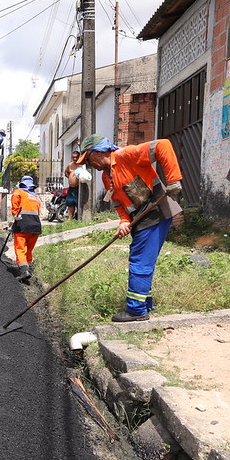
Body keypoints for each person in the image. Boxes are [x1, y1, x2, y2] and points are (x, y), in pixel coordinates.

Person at [76, 134, 183, 322]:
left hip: (156, 212)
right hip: (139, 219)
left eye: (88, 159)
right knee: (142, 259)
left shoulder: (127, 155)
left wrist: (173, 180)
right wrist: (124, 221)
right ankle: (145, 303)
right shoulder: (106, 177)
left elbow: (163, 145)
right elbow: (118, 203)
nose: (89, 165)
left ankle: (136, 310)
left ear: (98, 152)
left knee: (140, 261)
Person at [11, 175, 42, 284]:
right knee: (28, 249)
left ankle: (24, 271)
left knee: (20, 248)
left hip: (22, 225)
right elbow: (38, 212)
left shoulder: (18, 192)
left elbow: (15, 208)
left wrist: (15, 217)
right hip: (36, 226)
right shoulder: (36, 197)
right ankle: (28, 269)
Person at [63, 150, 80, 219]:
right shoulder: (70, 165)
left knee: (78, 203)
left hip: (78, 188)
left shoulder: (81, 165)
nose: (75, 159)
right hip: (71, 188)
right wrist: (70, 178)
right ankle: (70, 219)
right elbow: (66, 172)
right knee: (70, 203)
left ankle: (79, 218)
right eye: (73, 157)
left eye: (76, 157)